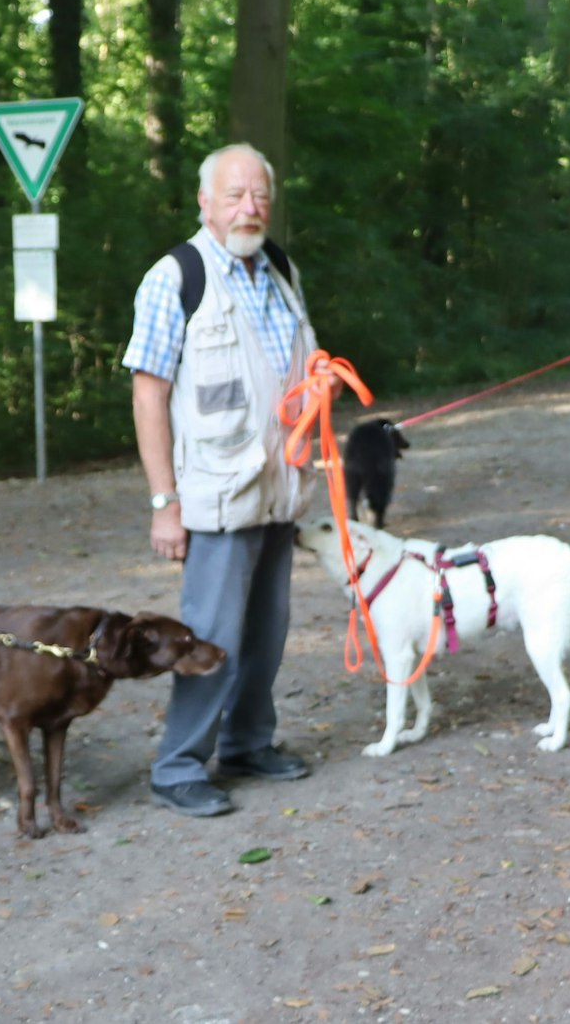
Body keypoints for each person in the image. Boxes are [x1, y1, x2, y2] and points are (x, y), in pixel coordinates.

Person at [123, 143, 322, 818]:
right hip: (213, 494)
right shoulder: (175, 276)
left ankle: (247, 742)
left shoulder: (282, 269)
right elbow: (148, 396)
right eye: (235, 195)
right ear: (204, 202)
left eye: (260, 194)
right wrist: (163, 504)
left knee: (268, 628)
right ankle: (179, 765)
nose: (250, 206)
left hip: (280, 487)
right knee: (207, 638)